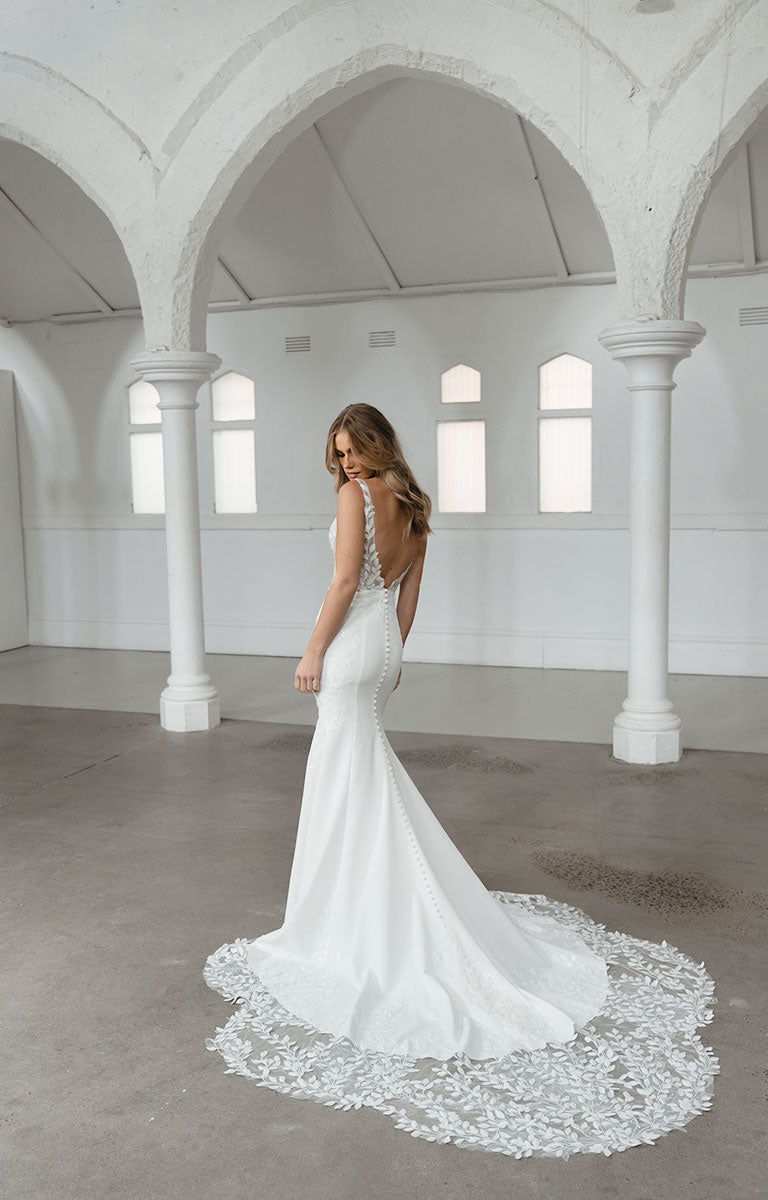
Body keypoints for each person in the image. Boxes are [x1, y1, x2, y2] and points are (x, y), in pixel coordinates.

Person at [205, 404, 719, 1158]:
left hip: (351, 644)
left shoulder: (357, 501)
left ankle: (345, 915)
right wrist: (393, 655)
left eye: (353, 450)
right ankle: (366, 895)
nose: (345, 465)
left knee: (344, 774)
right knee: (361, 773)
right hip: (382, 648)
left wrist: (313, 651)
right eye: (338, 454)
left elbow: (347, 579)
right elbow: (406, 596)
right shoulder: (414, 502)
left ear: (376, 445)